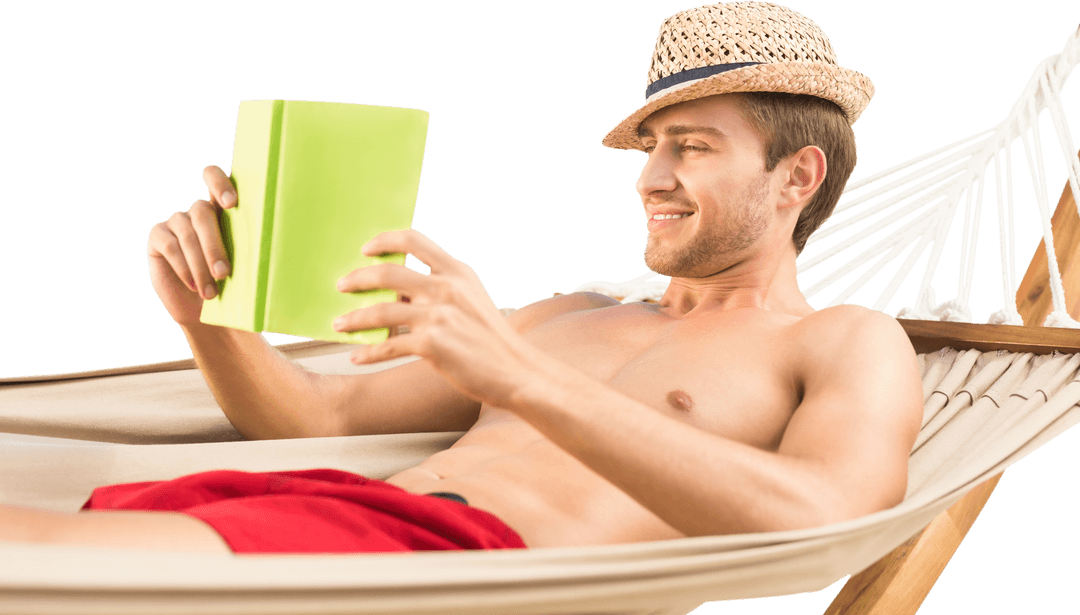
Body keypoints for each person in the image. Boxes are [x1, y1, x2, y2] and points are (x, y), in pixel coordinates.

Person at [0, 1, 922, 554]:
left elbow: (826, 513)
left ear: (797, 175)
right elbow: (320, 418)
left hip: (458, 559)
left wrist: (521, 376)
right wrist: (210, 319)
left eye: (691, 147)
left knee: (45, 558)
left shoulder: (842, 341)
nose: (650, 178)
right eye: (649, 148)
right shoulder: (570, 313)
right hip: (343, 514)